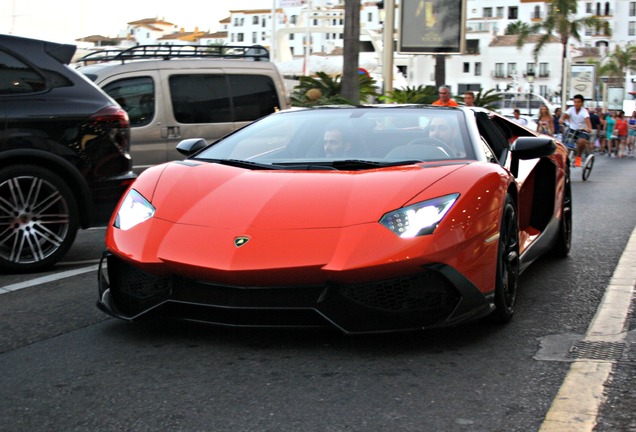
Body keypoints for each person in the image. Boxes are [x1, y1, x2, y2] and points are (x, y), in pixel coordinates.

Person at [559, 94, 592, 167]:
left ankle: (578, 157)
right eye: (575, 102)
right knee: (565, 144)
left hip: (582, 130)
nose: (576, 104)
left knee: (582, 141)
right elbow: (564, 115)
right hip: (572, 129)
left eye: (578, 102)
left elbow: (588, 122)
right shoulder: (571, 109)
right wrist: (561, 119)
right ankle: (564, 158)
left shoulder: (584, 112)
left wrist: (589, 128)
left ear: (582, 103)